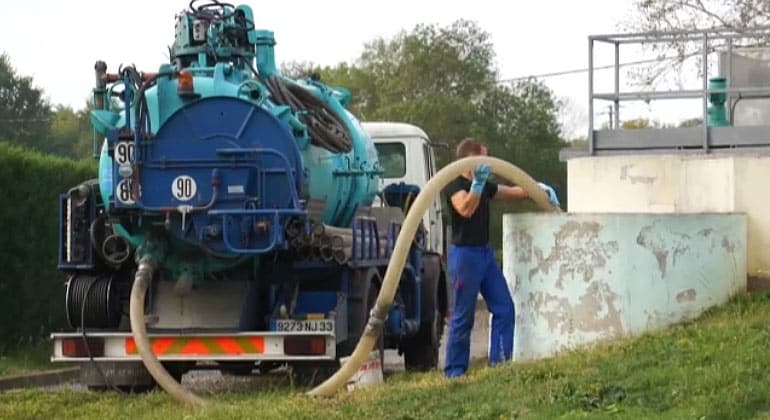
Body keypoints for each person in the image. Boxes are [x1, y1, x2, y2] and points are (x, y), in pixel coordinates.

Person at [441, 137, 559, 378]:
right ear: (470, 159)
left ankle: (500, 366)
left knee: (504, 308)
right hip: (465, 256)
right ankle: (454, 372)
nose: (490, 163)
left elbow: (512, 192)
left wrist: (537, 189)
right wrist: (476, 186)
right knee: (463, 317)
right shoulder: (454, 185)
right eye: (484, 157)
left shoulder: (483, 184)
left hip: (484, 254)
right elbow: (465, 208)